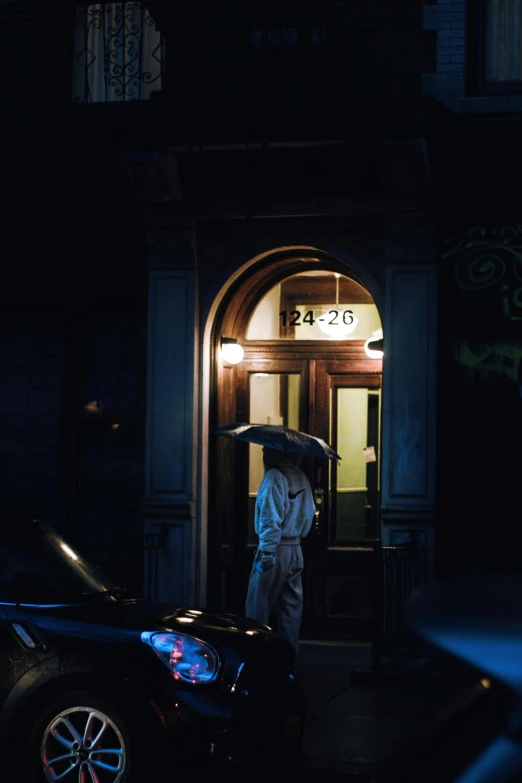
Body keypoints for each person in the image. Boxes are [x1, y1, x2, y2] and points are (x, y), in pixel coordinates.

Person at [245, 446, 316, 653]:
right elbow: (309, 513)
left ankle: (256, 657)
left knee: (257, 606)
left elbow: (270, 513)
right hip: (296, 548)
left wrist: (267, 549)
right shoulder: (301, 477)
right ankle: (288, 661)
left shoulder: (274, 477)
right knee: (291, 609)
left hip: (275, 549)